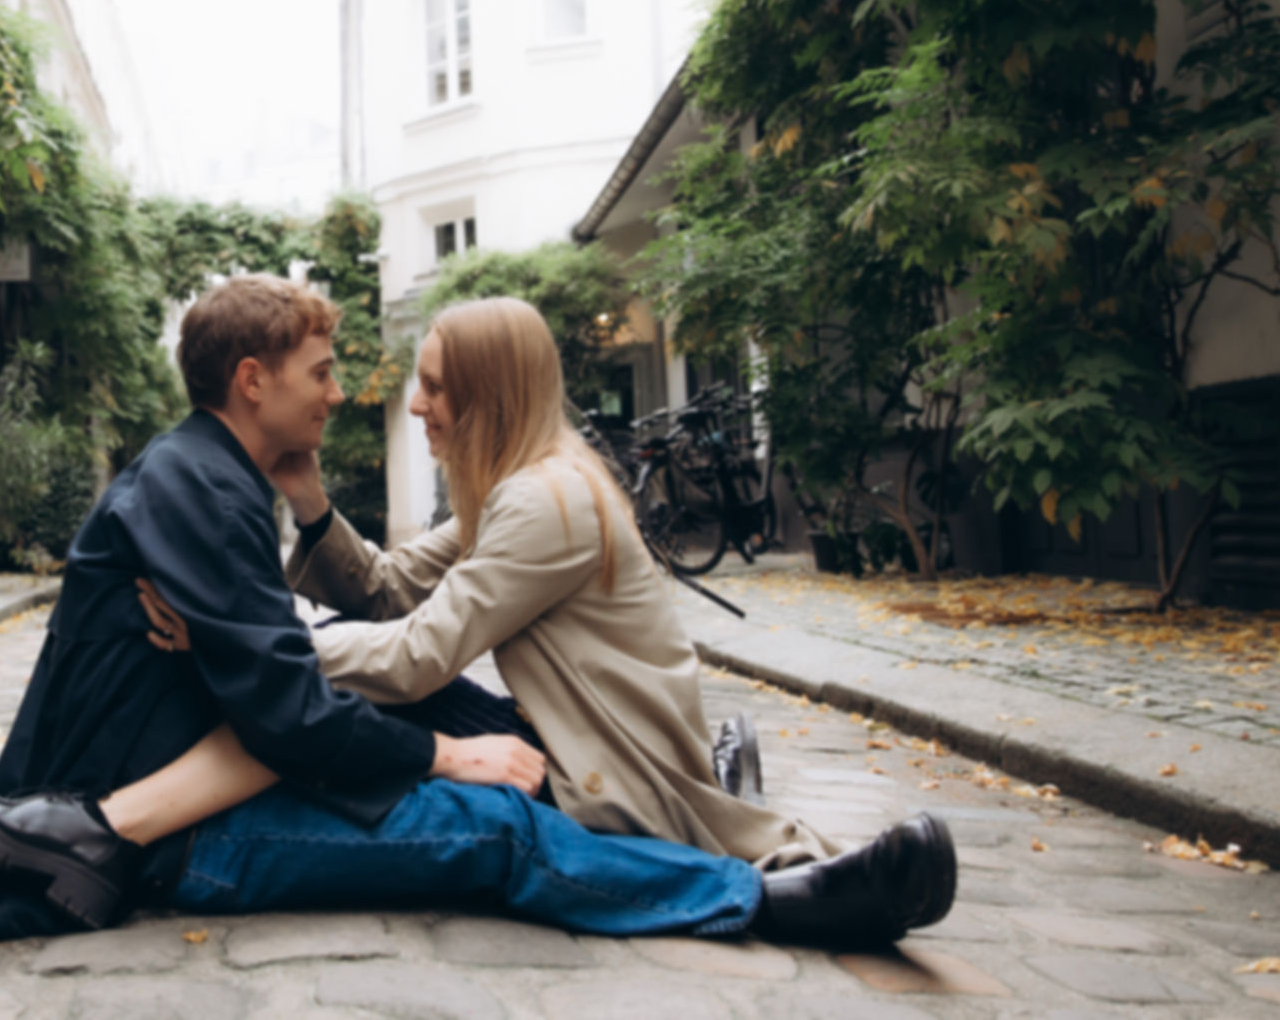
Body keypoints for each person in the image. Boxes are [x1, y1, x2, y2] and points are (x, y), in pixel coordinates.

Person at [0, 278, 956, 949]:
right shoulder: (209, 484)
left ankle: (703, 813)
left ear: (486, 396)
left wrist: (261, 644)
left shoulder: (529, 494)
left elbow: (384, 661)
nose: (363, 398)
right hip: (183, 834)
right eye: (324, 373)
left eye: (428, 388)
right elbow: (352, 636)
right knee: (495, 820)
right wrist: (410, 736)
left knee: (474, 760)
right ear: (251, 381)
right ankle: (762, 897)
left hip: (221, 790)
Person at [131, 296, 838, 870]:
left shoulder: (545, 500)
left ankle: (164, 819)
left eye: (436, 387)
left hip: (606, 776)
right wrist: (309, 500)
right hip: (573, 739)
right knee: (345, 666)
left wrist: (247, 647)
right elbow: (387, 589)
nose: (416, 405)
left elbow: (416, 657)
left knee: (349, 685)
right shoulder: (520, 484)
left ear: (489, 395)